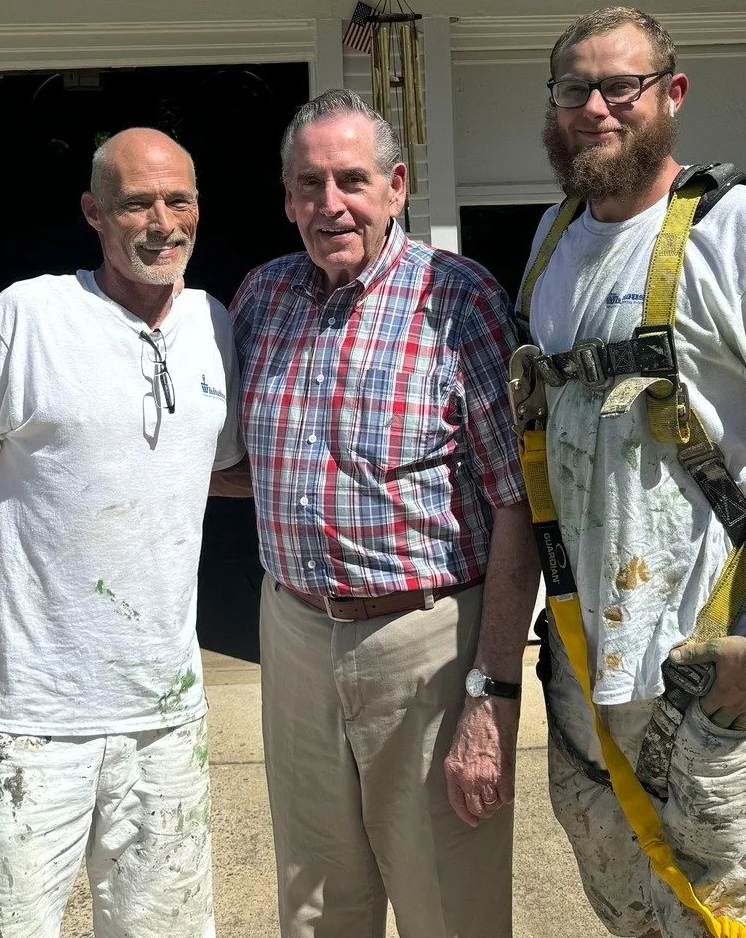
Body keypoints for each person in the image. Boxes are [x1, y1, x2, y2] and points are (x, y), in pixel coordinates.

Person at [518, 7, 746, 938]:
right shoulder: (550, 244)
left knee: (739, 914)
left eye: (619, 86)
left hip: (708, 666)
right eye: (573, 89)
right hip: (584, 671)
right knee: (632, 912)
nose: (595, 107)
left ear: (670, 95)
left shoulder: (744, 230)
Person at [0, 127, 243, 938]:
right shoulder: (29, 316)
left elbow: (214, 469)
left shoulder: (216, 325)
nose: (162, 221)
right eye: (137, 202)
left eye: (178, 199)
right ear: (94, 212)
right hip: (33, 721)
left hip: (166, 719)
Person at [226, 88, 540, 938]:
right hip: (293, 632)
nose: (331, 205)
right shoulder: (260, 300)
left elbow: (519, 504)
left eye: (353, 180)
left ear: (397, 187)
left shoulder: (460, 300)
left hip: (427, 642)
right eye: (309, 184)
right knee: (318, 900)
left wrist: (494, 693)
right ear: (287, 197)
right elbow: (242, 464)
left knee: (451, 903)